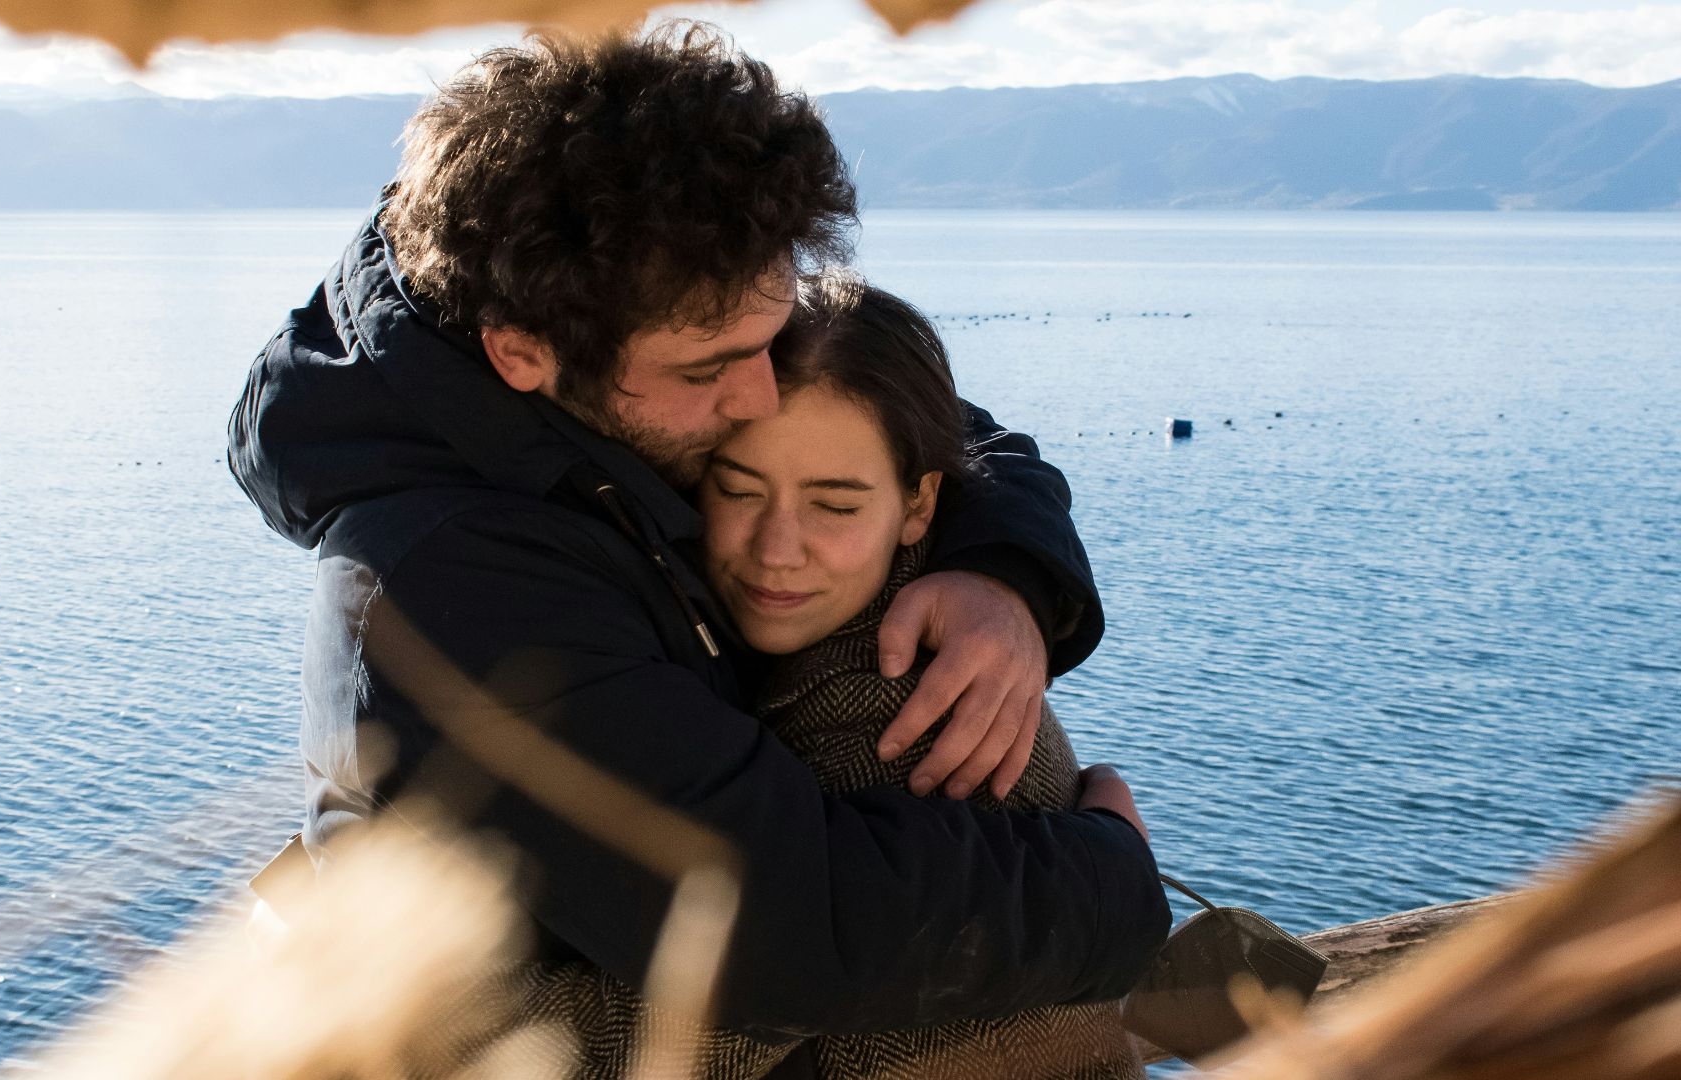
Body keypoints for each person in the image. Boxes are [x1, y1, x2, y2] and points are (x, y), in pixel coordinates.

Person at [226, 22, 1168, 1042]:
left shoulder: (645, 316)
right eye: (711, 369)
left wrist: (1007, 575)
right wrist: (1110, 876)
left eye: (771, 340)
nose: (762, 393)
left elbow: (923, 429)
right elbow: (781, 931)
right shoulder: (455, 579)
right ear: (522, 354)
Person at [504, 274, 1148, 1078]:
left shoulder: (897, 718)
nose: (777, 550)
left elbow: (717, 1011)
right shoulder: (866, 615)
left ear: (919, 504)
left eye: (834, 506)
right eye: (737, 488)